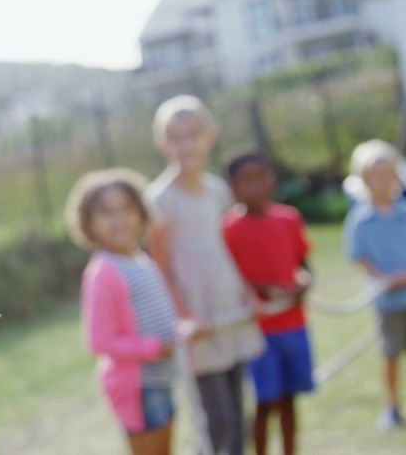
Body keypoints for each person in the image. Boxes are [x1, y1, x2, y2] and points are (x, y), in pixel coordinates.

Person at [145, 95, 265, 455]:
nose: (186, 144)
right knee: (217, 422)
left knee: (238, 413)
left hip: (230, 311)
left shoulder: (218, 190)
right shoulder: (160, 199)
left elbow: (230, 248)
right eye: (176, 137)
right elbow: (160, 268)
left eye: (193, 134)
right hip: (199, 325)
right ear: (163, 143)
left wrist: (249, 293)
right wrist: (185, 316)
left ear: (209, 135)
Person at [71, 168, 189, 455]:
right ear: (90, 223)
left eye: (126, 209)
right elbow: (98, 342)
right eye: (107, 212)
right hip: (140, 388)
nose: (119, 219)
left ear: (141, 213)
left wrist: (183, 329)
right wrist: (154, 349)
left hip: (161, 378)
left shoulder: (140, 259)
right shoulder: (104, 271)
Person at [222, 151, 314, 455]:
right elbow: (229, 281)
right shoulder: (229, 229)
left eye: (261, 177)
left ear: (272, 179)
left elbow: (303, 264)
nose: (256, 186)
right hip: (257, 332)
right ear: (233, 187)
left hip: (294, 324)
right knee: (265, 402)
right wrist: (263, 290)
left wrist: (302, 282)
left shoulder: (289, 218)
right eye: (246, 180)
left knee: (290, 399)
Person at [344, 139, 406, 431]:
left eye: (387, 172)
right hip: (387, 300)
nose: (383, 180)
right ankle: (392, 406)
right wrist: (383, 278)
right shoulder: (360, 219)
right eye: (375, 175)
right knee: (391, 353)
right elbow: (358, 254)